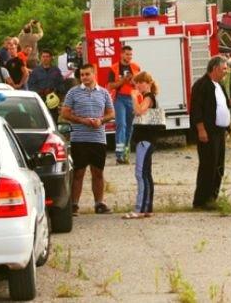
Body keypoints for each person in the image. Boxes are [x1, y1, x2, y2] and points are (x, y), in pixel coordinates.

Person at [190, 56, 231, 210]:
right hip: (207, 131)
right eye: (224, 68)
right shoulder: (201, 85)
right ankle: (201, 200)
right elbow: (196, 110)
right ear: (215, 68)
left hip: (219, 131)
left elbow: (223, 104)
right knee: (207, 165)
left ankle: (212, 197)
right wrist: (201, 129)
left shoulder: (220, 85)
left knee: (218, 166)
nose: (226, 72)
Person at [61, 64, 115, 216]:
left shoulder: (103, 93)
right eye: (82, 75)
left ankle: (99, 203)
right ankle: (74, 205)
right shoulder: (73, 92)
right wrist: (82, 120)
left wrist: (101, 120)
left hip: (98, 138)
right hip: (79, 138)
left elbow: (111, 113)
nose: (84, 77)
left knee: (98, 172)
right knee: (78, 172)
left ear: (94, 74)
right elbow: (65, 113)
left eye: (87, 74)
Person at [124, 72, 161, 219]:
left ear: (149, 83)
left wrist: (133, 97)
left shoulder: (148, 97)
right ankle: (147, 208)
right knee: (146, 174)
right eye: (137, 83)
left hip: (145, 140)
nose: (138, 85)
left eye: (141, 82)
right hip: (147, 140)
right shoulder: (149, 97)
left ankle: (139, 209)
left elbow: (139, 111)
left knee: (140, 173)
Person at [107, 45, 141, 164]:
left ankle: (126, 153)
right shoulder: (114, 68)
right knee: (121, 125)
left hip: (132, 98)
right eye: (127, 54)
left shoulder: (136, 67)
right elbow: (110, 86)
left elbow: (140, 85)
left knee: (130, 127)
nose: (129, 57)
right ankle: (119, 155)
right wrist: (123, 81)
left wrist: (132, 82)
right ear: (121, 54)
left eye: (131, 54)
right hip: (119, 98)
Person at [28, 49, 64, 123]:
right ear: (40, 58)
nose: (45, 58)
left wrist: (55, 91)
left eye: (47, 56)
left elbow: (61, 84)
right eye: (43, 56)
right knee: (41, 120)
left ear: (51, 58)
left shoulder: (56, 70)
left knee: (53, 120)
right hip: (40, 99)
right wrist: (41, 91)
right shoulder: (35, 71)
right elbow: (31, 85)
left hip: (53, 100)